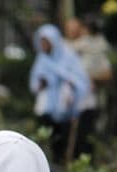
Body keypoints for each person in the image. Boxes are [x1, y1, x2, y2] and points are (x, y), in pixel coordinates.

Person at [28, 24, 90, 164]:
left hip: (66, 110)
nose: (43, 45)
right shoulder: (41, 59)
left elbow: (80, 81)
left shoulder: (68, 57)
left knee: (65, 145)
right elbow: (34, 85)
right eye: (41, 41)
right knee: (46, 143)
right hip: (46, 110)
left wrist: (65, 81)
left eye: (46, 42)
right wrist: (42, 84)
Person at [64, 15, 113, 156]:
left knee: (84, 138)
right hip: (67, 102)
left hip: (87, 101)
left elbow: (107, 74)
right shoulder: (77, 47)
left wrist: (88, 78)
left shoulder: (92, 44)